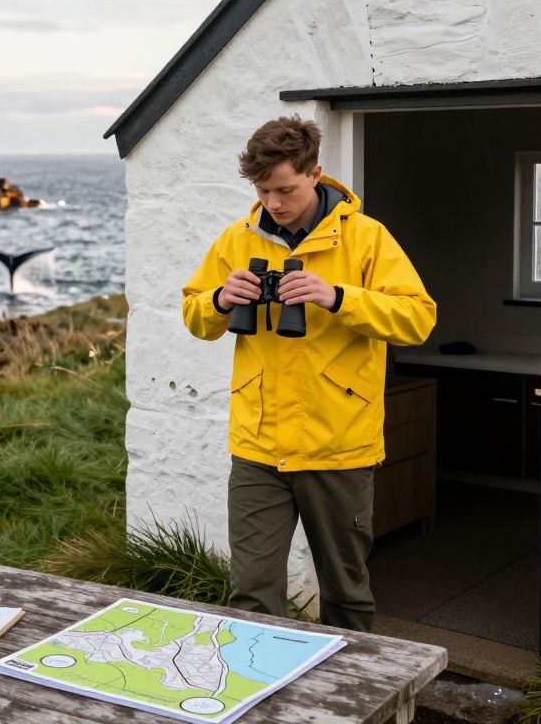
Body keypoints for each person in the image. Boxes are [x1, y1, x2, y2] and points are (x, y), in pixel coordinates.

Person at [181, 115, 436, 632]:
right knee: (251, 592)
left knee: (346, 594)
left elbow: (418, 319)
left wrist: (337, 297)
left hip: (338, 445)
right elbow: (195, 317)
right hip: (258, 446)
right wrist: (220, 300)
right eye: (263, 190)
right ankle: (262, 700)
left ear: (315, 173)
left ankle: (358, 704)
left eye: (285, 189)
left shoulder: (366, 239)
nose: (273, 203)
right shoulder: (237, 239)